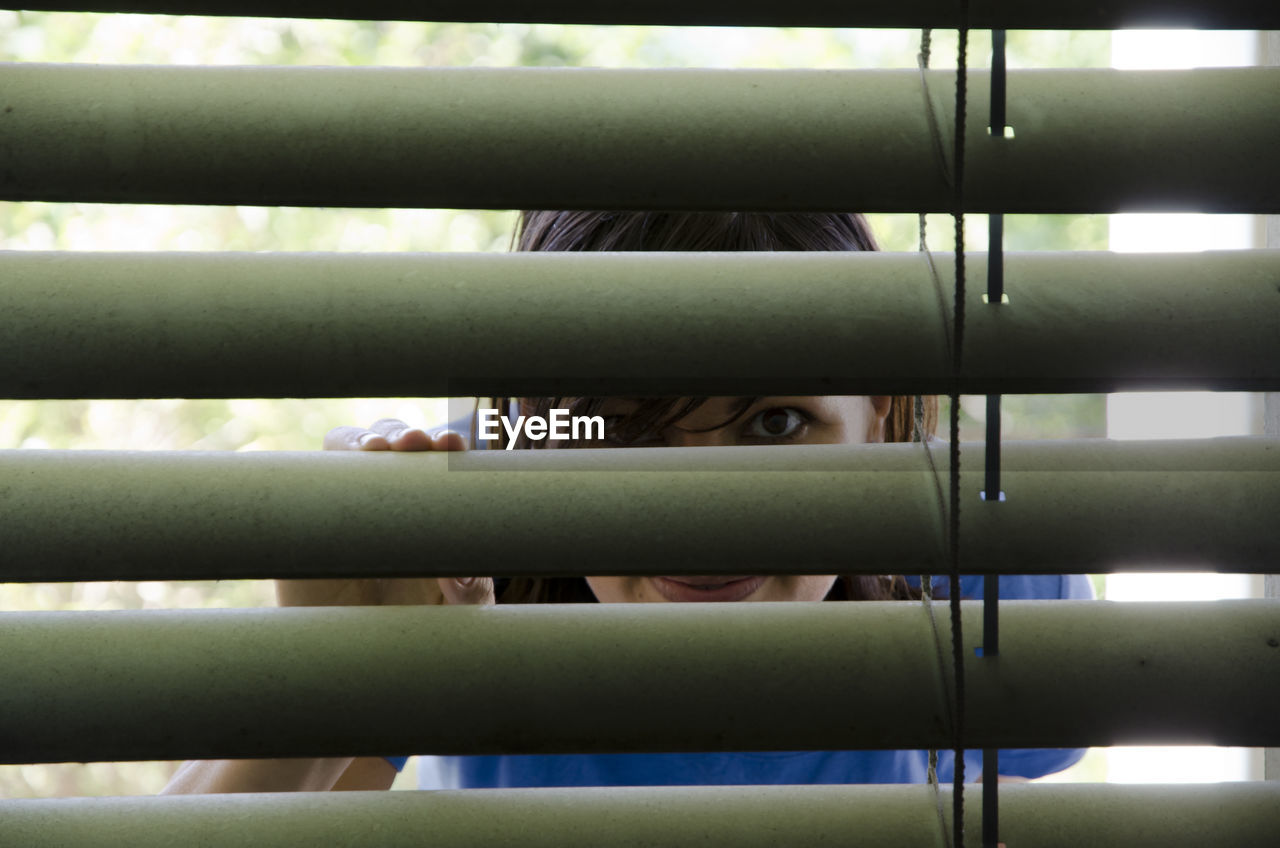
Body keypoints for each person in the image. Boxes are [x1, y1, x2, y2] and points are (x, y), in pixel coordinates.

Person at [162, 210, 1092, 795]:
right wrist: (337, 673)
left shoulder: (971, 580)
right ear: (532, 432)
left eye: (774, 425)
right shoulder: (461, 583)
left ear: (879, 417)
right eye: (621, 427)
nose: (701, 512)